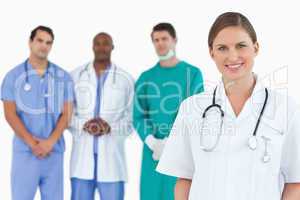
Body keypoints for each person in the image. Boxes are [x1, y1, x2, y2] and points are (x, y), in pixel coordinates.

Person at [157, 12, 300, 200]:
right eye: (222, 48)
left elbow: (295, 182)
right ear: (211, 52)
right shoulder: (191, 108)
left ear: (255, 48)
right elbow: (185, 179)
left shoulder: (286, 108)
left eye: (241, 46)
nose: (233, 56)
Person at [1, 26, 74, 200]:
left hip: (53, 153)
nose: (44, 46)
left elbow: (67, 114)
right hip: (25, 153)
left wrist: (49, 142)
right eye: (40, 41)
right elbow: (10, 115)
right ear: (30, 42)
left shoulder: (63, 77)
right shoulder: (13, 76)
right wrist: (33, 144)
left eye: (48, 43)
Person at [133, 23, 204, 200]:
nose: (160, 43)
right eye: (156, 40)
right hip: (153, 153)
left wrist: (172, 141)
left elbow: (195, 112)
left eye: (164, 38)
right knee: (151, 194)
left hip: (182, 150)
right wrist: (152, 141)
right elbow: (138, 114)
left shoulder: (192, 73)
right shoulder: (146, 77)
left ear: (174, 40)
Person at [69, 32, 134, 200]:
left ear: (112, 47)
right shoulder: (75, 76)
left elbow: (132, 117)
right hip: (81, 163)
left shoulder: (126, 79)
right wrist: (83, 124)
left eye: (106, 43)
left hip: (112, 162)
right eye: (98, 43)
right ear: (92, 47)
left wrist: (109, 127)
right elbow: (66, 114)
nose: (101, 47)